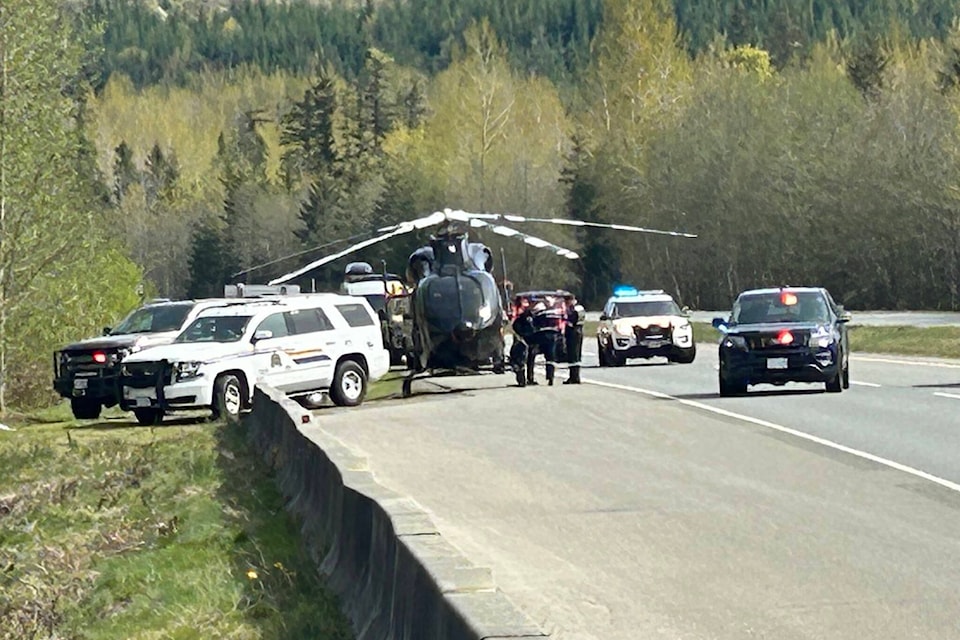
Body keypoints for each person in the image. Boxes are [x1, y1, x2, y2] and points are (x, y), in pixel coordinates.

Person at [563, 296, 585, 384]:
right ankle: (575, 376)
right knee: (577, 355)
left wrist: (564, 319)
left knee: (573, 355)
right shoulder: (580, 308)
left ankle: (574, 377)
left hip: (573, 332)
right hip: (579, 331)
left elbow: (571, 321)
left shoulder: (573, 310)